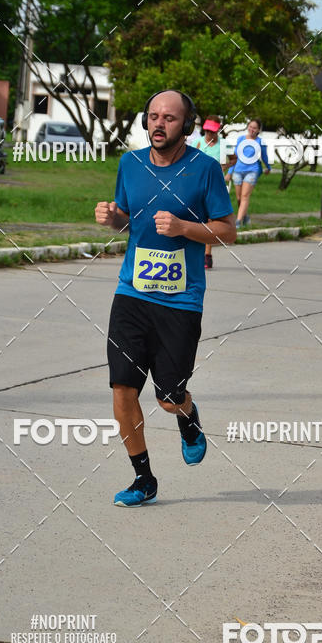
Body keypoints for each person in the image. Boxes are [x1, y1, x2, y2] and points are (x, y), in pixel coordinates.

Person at [95, 90, 236, 506]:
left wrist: (184, 228)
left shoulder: (205, 170)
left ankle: (188, 417)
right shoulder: (130, 164)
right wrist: (112, 218)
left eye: (170, 118)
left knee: (169, 397)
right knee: (123, 387)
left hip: (181, 301)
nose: (159, 124)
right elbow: (126, 216)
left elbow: (227, 231)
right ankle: (144, 479)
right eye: (154, 116)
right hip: (131, 294)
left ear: (186, 126)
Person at [194, 115, 228, 269]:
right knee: (195, 221)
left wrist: (225, 169)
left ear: (217, 131)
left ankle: (207, 255)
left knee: (209, 223)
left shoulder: (222, 145)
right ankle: (193, 253)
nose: (209, 134)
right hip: (196, 186)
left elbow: (231, 160)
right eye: (207, 130)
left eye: (212, 131)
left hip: (214, 188)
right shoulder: (198, 143)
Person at [225, 119, 271, 228]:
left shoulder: (260, 142)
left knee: (245, 196)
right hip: (238, 170)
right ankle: (245, 217)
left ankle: (238, 222)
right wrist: (229, 172)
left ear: (259, 130)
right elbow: (235, 157)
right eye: (250, 127)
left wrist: (268, 168)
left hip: (252, 171)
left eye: (254, 128)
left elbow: (264, 157)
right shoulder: (241, 139)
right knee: (239, 198)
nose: (252, 129)